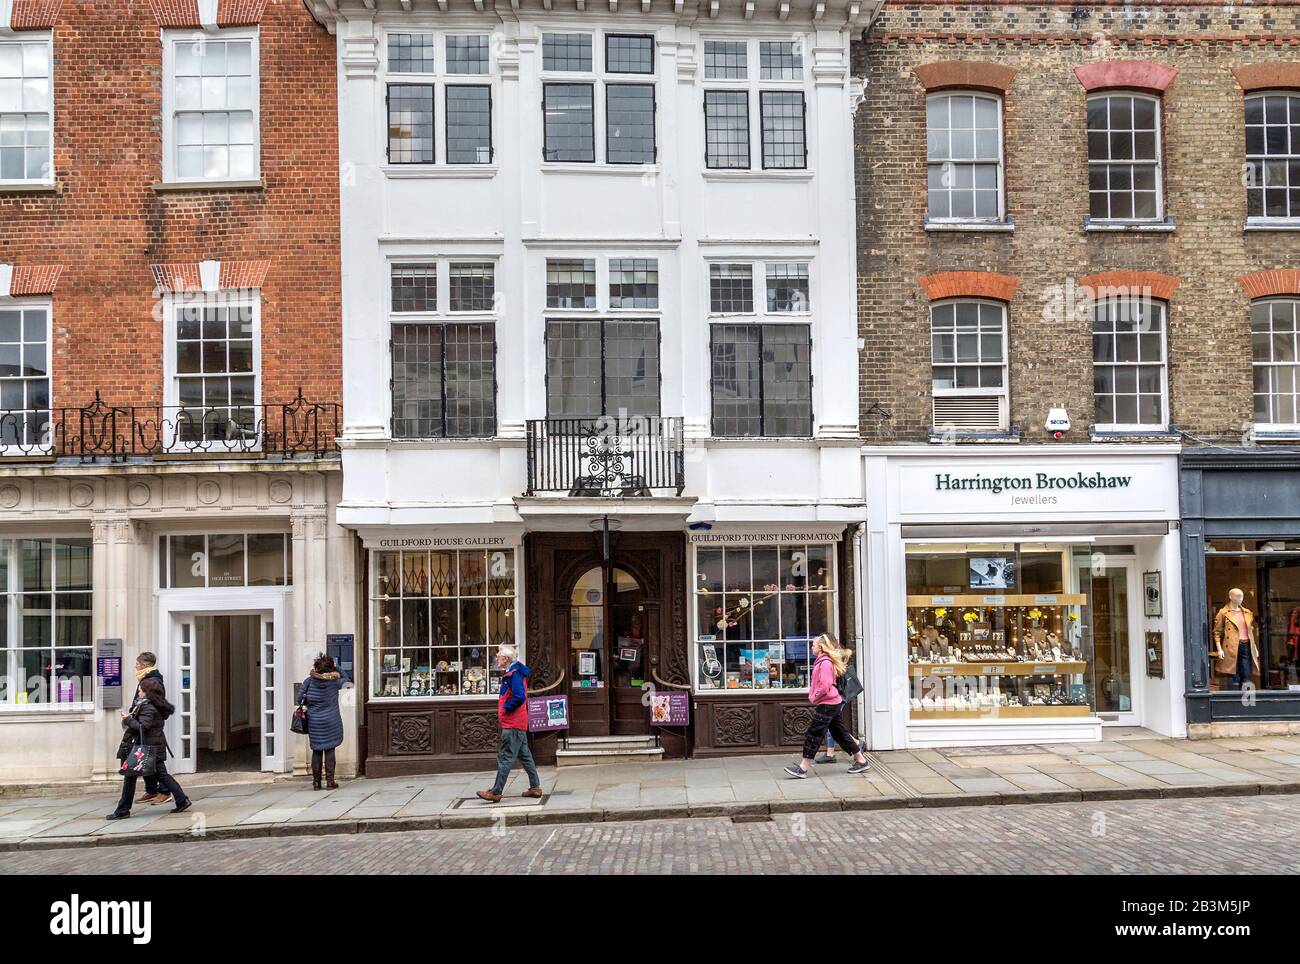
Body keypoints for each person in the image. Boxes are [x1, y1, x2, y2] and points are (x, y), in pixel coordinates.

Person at [107, 652, 191, 819]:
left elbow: (142, 727)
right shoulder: (149, 704)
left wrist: (129, 719)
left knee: (131, 776)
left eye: (140, 689)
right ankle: (181, 800)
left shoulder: (147, 706)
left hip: (145, 745)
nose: (138, 691)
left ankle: (122, 810)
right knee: (161, 774)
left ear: (147, 691)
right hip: (151, 744)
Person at [784, 634, 871, 778]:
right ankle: (861, 760)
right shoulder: (822, 661)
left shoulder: (824, 663)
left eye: (813, 645)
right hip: (832, 702)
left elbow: (824, 686)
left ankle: (803, 768)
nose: (811, 647)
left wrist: (814, 697)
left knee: (814, 733)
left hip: (828, 703)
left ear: (821, 647)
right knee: (840, 733)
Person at [476, 644, 543, 802]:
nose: (497, 657)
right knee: (525, 756)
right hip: (517, 722)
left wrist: (506, 709)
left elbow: (519, 696)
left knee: (505, 757)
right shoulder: (514, 672)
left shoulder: (514, 674)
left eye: (498, 655)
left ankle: (496, 792)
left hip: (513, 723)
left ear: (505, 659)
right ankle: (535, 788)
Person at [299, 653, 347, 790]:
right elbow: (348, 681)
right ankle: (330, 782)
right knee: (330, 748)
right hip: (332, 719)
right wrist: (338, 668)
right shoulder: (334, 682)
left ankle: (316, 782)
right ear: (330, 667)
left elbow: (299, 699)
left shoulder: (309, 681)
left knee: (317, 750)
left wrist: (311, 703)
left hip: (314, 720)